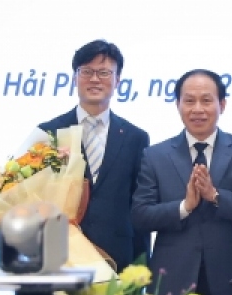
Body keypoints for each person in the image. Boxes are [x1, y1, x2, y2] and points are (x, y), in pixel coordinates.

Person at [132, 69, 232, 295]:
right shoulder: (155, 155)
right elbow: (141, 216)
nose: (197, 109)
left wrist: (215, 196)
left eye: (206, 100)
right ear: (178, 105)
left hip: (228, 282)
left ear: (222, 105)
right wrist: (184, 207)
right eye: (189, 100)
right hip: (171, 284)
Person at [39, 39, 150, 271]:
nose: (95, 79)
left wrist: (142, 267)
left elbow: (139, 206)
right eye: (87, 71)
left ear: (118, 80)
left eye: (104, 72)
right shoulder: (49, 132)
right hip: (62, 257)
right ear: (74, 77)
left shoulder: (136, 137)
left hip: (117, 257)